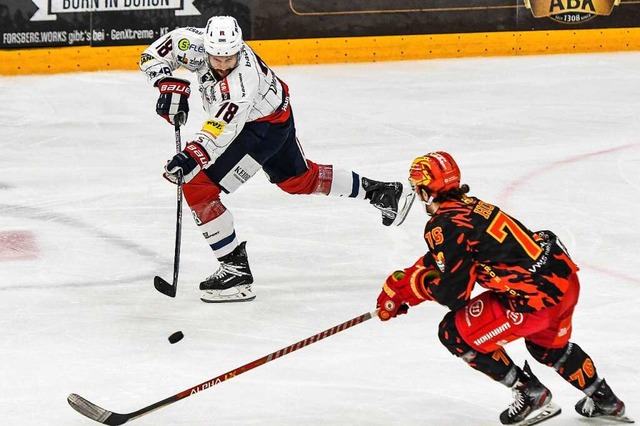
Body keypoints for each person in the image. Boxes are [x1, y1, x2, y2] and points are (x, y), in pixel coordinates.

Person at [139, 16, 412, 303]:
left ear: (239, 48)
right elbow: (152, 55)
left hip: (260, 128)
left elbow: (221, 129)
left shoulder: (241, 82)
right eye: (216, 58)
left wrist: (192, 155)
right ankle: (382, 192)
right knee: (298, 180)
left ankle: (236, 272)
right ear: (205, 46)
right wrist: (166, 82)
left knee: (197, 185)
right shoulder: (189, 41)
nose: (221, 65)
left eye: (229, 58)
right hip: (276, 112)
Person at [376, 151, 632, 425]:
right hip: (564, 284)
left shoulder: (442, 225)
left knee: (453, 333)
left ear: (426, 189)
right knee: (547, 347)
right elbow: (448, 257)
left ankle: (531, 395)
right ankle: (606, 401)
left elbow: (455, 294)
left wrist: (414, 286)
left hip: (534, 303)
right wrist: (407, 282)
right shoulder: (471, 205)